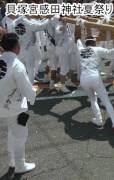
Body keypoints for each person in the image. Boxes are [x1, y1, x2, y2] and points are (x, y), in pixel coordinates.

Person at [0, 33, 37, 175]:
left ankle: (12, 161)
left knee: (12, 132)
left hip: (2, 105)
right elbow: (26, 88)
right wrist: (32, 98)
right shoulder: (17, 65)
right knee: (20, 134)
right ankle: (20, 165)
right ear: (17, 47)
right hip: (13, 107)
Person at [77, 36, 114, 130]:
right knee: (106, 101)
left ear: (86, 44)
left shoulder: (80, 50)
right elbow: (110, 53)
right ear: (94, 43)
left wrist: (80, 35)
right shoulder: (97, 49)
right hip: (95, 77)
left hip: (83, 79)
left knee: (93, 99)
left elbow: (78, 42)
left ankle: (98, 120)